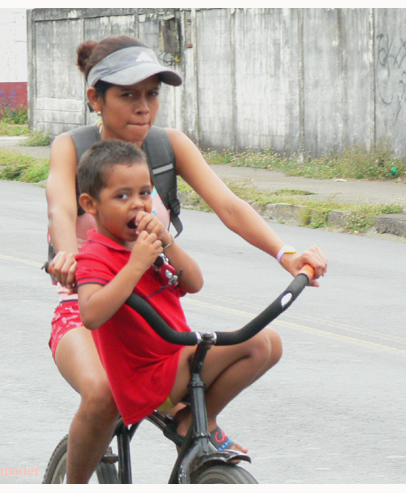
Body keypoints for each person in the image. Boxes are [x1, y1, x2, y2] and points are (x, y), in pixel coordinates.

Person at [45, 34, 328, 483]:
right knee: (101, 394)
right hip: (86, 309)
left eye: (152, 94)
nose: (144, 107)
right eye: (128, 95)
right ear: (95, 99)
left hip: (148, 316)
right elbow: (61, 209)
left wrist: (286, 254)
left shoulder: (167, 146)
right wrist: (66, 253)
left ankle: (194, 423)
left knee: (259, 344)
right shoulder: (73, 148)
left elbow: (230, 207)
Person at [74, 139, 279, 456]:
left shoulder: (150, 243)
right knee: (257, 343)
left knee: (271, 344)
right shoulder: (94, 256)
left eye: (144, 193)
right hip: (147, 380)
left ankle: (197, 420)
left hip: (174, 363)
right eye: (122, 196)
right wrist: (136, 265)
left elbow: (194, 282)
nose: (138, 204)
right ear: (90, 205)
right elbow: (90, 314)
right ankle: (201, 422)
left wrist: (167, 242)